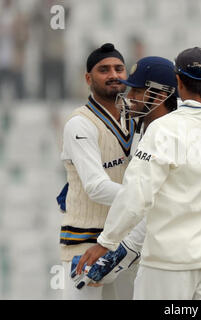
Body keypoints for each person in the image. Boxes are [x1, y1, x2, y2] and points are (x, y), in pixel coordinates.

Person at [76, 15, 201, 300]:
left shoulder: (163, 131)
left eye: (137, 90)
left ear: (175, 83)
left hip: (169, 264)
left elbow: (137, 195)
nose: (129, 95)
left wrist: (106, 242)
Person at [63, 48, 201, 293]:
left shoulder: (169, 128)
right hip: (110, 241)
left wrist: (121, 251)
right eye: (104, 70)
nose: (127, 94)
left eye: (135, 90)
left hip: (159, 249)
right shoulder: (139, 122)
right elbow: (105, 189)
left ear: (158, 96)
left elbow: (155, 202)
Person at [59, 42, 142, 300]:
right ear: (88, 78)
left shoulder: (138, 114)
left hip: (128, 241)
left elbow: (185, 117)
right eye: (104, 70)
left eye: (119, 68)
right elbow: (96, 187)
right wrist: (149, 201)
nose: (114, 75)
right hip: (86, 242)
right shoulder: (80, 124)